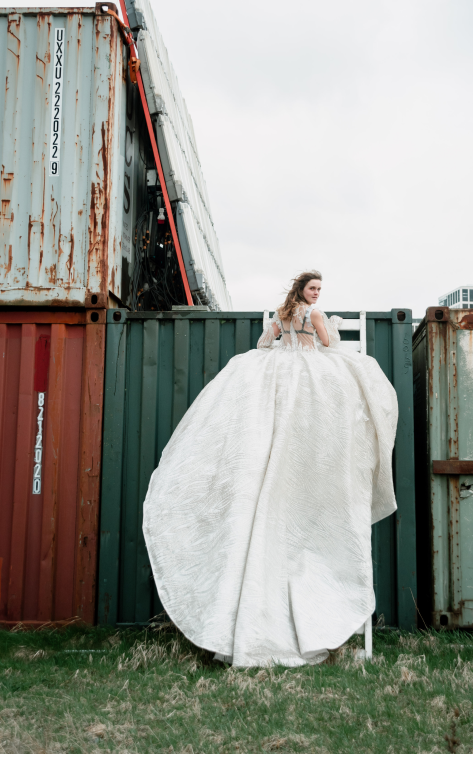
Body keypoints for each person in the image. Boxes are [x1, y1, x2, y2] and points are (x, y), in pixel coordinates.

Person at [142, 271, 398, 667]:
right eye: (314, 288)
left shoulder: (281, 314)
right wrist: (329, 328)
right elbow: (328, 345)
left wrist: (281, 343)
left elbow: (264, 344)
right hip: (308, 377)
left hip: (278, 372)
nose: (317, 293)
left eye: (319, 289)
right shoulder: (314, 315)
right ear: (303, 290)